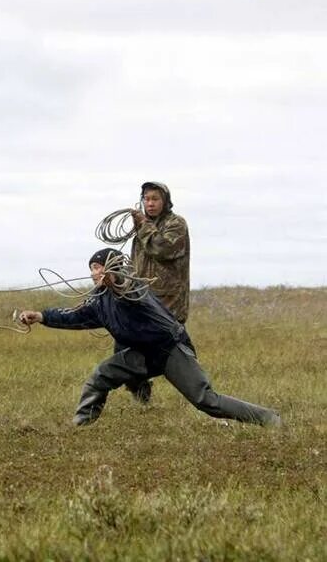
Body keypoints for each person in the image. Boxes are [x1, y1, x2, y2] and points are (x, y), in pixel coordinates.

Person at [17, 248, 281, 427]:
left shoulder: (134, 288)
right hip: (140, 355)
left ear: (115, 268)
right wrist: (40, 316)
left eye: (98, 267)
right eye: (92, 268)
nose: (94, 273)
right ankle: (81, 428)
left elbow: (130, 291)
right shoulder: (99, 301)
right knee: (100, 376)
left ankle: (269, 419)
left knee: (207, 402)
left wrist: (117, 279)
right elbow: (74, 316)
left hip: (169, 350)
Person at [123, 181, 191, 404]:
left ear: (165, 201)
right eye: (147, 199)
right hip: (141, 301)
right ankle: (140, 392)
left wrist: (143, 225)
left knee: (169, 355)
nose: (150, 203)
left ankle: (199, 392)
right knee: (125, 349)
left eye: (155, 199)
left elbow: (161, 249)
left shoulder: (176, 224)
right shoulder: (141, 227)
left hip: (168, 303)